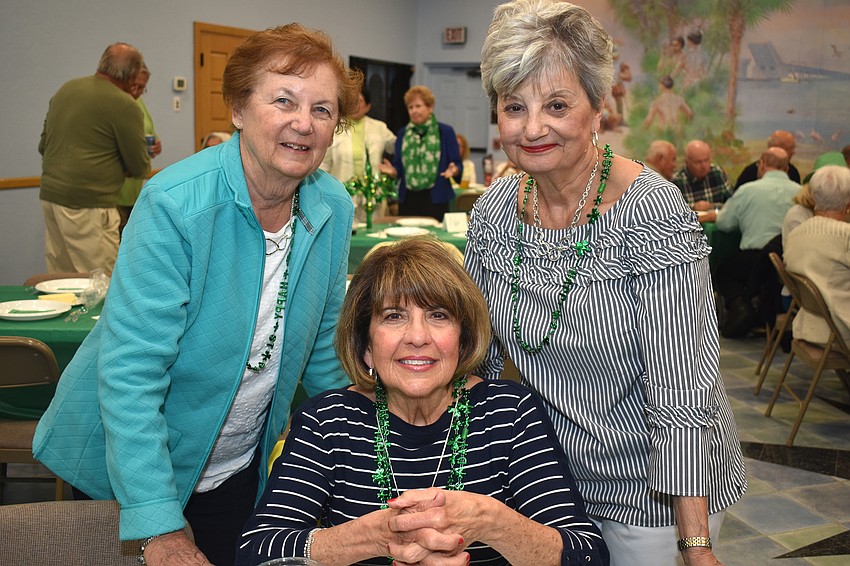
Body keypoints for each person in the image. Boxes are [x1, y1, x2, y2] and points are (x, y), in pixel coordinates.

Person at [33, 23, 361, 566]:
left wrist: (383, 441)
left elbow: (325, 351)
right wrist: (160, 524)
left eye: (323, 110)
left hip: (239, 464)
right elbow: (132, 374)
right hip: (134, 471)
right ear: (237, 108)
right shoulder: (174, 204)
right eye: (283, 100)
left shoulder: (331, 207)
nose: (303, 123)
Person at [469, 2, 747, 565]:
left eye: (557, 105)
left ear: (598, 108)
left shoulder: (653, 215)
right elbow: (480, 355)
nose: (533, 128)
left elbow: (683, 389)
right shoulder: (493, 213)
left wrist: (693, 545)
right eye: (514, 107)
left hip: (653, 489)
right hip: (544, 476)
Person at [236, 237, 609, 566]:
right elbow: (257, 552)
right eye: (394, 316)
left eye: (438, 315)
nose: (417, 336)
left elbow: (587, 552)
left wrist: (489, 522)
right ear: (366, 346)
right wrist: (376, 536)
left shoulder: (509, 413)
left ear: (462, 340)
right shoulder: (328, 420)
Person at [38, 42, 151, 274]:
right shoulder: (124, 104)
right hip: (90, 203)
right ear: (131, 77)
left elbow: (43, 146)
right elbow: (139, 166)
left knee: (60, 279)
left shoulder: (66, 89)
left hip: (50, 197)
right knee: (100, 282)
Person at [712, 148, 800, 337]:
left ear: (761, 165)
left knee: (723, 270)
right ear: (787, 168)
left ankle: (741, 305)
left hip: (755, 259)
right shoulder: (801, 193)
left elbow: (724, 223)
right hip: (791, 261)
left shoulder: (747, 190)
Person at [784, 165, 850, 345]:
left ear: (813, 197)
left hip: (808, 326)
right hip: (841, 328)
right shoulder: (845, 236)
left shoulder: (795, 235)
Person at [385, 85, 462, 221]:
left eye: (418, 106)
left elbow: (457, 163)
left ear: (430, 107)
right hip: (408, 198)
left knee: (435, 241)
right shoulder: (403, 133)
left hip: (436, 198)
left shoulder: (445, 131)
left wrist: (454, 169)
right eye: (410, 107)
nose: (414, 111)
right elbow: (399, 166)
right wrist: (393, 171)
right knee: (409, 240)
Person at [320, 89, 396, 222]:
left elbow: (399, 148)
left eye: (359, 101)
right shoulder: (335, 127)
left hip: (373, 194)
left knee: (373, 233)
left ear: (368, 106)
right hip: (342, 192)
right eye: (352, 101)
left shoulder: (380, 128)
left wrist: (394, 169)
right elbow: (323, 164)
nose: (355, 105)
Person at [116, 63, 162, 237]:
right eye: (135, 86)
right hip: (114, 193)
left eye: (142, 87)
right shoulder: (115, 104)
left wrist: (156, 145)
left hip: (134, 190)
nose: (137, 91)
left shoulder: (139, 104)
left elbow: (149, 133)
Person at [672, 139, 733, 210]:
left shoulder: (717, 173)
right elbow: (672, 211)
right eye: (698, 162)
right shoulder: (676, 180)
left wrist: (711, 206)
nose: (703, 166)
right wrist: (693, 207)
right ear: (687, 162)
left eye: (706, 160)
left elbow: (732, 203)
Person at [734, 130, 800, 189]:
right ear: (777, 149)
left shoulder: (793, 172)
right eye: (790, 148)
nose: (793, 152)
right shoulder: (750, 173)